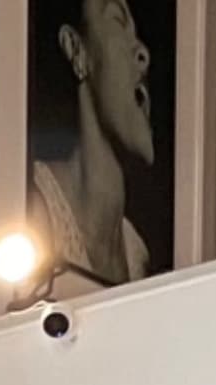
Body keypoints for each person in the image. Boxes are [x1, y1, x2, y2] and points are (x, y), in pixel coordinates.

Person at [33, 0, 158, 295]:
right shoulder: (33, 206)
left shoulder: (137, 252)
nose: (143, 53)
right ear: (77, 50)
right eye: (117, 21)